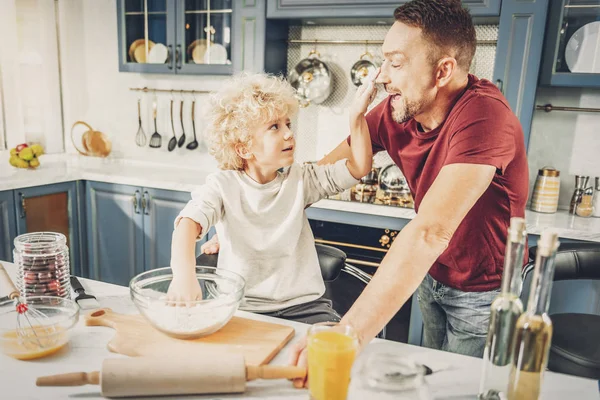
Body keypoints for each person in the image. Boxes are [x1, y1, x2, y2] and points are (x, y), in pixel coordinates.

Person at [285, 0, 530, 385]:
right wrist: (241, 211)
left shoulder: (485, 117)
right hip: (431, 274)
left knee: (461, 389)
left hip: (483, 291)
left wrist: (346, 336)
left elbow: (431, 231)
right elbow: (317, 177)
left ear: (443, 70)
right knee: (429, 384)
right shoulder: (396, 111)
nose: (382, 77)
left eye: (395, 64)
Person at [167, 72, 377, 324]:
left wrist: (356, 118)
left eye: (287, 124)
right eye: (274, 127)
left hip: (307, 308)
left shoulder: (301, 179)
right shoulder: (222, 185)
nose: (289, 133)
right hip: (240, 307)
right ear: (243, 148)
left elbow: (358, 167)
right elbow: (187, 224)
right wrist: (183, 277)